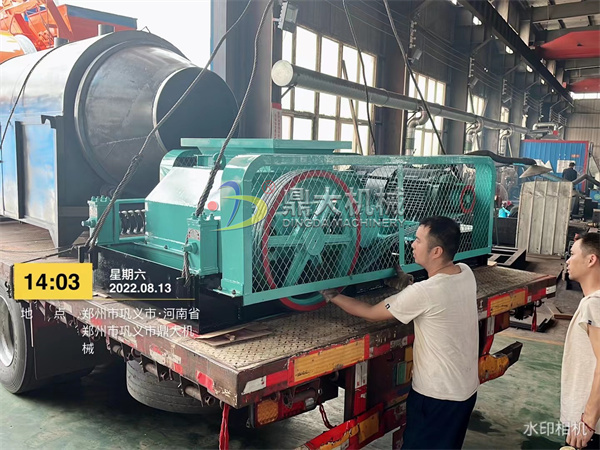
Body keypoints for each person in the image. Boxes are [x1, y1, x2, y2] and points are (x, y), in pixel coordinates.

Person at [320, 216, 479, 449]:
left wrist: (333, 295)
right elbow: (436, 296)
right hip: (465, 391)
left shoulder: (424, 293)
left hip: (436, 397)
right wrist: (407, 285)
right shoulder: (465, 272)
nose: (412, 244)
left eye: (418, 240)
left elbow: (370, 312)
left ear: (436, 251)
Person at [561, 232, 600, 449]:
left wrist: (588, 420)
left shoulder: (594, 304)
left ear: (591, 259)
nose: (568, 261)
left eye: (573, 254)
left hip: (586, 426)